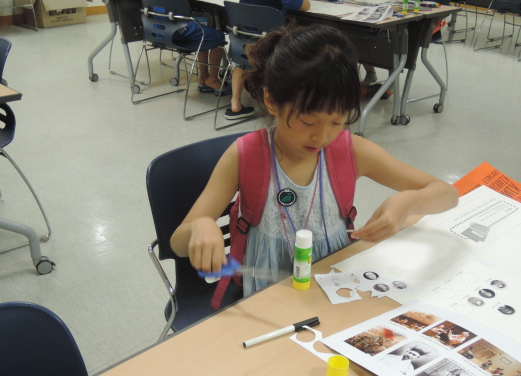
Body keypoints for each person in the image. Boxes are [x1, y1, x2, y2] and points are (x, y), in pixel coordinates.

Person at [170, 24, 459, 298]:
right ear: (271, 100)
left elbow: (448, 194)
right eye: (308, 121)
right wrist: (200, 226)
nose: (321, 137)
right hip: (265, 293)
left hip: (333, 285)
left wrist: (408, 202)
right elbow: (178, 243)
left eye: (337, 121)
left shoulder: (351, 151)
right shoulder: (245, 156)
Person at [226, 0, 311, 120]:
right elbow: (298, 5)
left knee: (240, 63)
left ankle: (235, 102)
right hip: (269, 38)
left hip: (245, 33)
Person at [171, 20, 232, 96]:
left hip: (163, 32)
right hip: (178, 31)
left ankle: (204, 77)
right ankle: (213, 79)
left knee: (203, 30)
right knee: (218, 36)